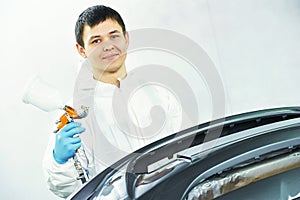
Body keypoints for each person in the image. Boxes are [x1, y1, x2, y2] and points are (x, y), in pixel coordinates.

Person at [43, 5, 182, 198]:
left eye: (114, 36)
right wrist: (59, 162)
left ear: (126, 39)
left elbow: (187, 152)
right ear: (82, 50)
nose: (108, 46)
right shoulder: (72, 116)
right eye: (96, 40)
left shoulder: (160, 94)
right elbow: (64, 188)